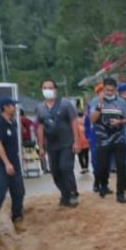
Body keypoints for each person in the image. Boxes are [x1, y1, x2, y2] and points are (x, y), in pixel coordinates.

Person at [36, 79, 80, 207]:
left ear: (56, 89)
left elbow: (74, 122)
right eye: (44, 88)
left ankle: (73, 193)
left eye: (50, 88)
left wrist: (76, 141)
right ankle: (64, 194)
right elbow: (40, 127)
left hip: (66, 142)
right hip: (51, 145)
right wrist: (41, 146)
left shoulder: (65, 104)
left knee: (65, 168)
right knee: (55, 171)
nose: (47, 90)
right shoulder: (40, 107)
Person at [0, 97, 26, 232]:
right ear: (5, 107)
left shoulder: (13, 122)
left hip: (14, 161)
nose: (14, 108)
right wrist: (7, 163)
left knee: (19, 192)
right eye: (12, 106)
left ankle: (17, 219)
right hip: (4, 163)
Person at [89, 77, 126, 203]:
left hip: (119, 138)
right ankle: (103, 185)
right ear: (103, 88)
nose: (109, 93)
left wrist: (119, 121)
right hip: (102, 139)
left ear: (116, 90)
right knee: (102, 166)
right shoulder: (96, 100)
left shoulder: (122, 102)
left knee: (121, 166)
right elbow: (92, 120)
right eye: (107, 90)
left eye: (112, 91)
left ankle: (120, 193)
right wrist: (99, 105)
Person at [73, 107, 90, 174]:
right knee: (86, 155)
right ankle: (86, 167)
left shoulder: (75, 122)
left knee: (80, 156)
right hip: (86, 142)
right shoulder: (86, 121)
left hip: (79, 142)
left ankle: (83, 168)